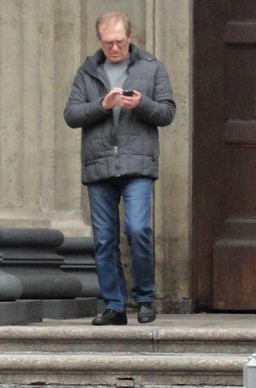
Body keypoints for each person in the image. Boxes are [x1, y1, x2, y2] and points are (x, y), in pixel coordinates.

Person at [63, 11, 176, 326]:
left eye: (119, 41)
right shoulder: (88, 71)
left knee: (138, 230)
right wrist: (103, 105)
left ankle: (145, 298)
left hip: (137, 163)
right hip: (99, 164)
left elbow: (167, 112)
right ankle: (114, 305)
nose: (114, 47)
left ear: (129, 37)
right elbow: (71, 115)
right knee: (104, 239)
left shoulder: (152, 67)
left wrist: (141, 104)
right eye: (108, 42)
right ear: (99, 40)